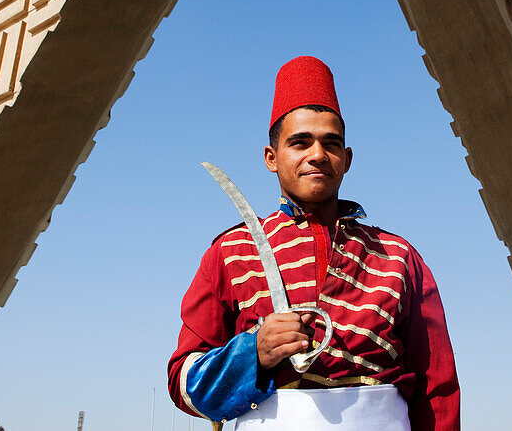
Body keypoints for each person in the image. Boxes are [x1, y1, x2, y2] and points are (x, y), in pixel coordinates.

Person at [168, 56, 459, 430]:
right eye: (300, 142)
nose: (318, 155)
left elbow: (438, 389)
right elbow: (182, 383)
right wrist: (253, 353)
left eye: (331, 143)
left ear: (347, 159)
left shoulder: (399, 258)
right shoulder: (230, 252)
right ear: (272, 158)